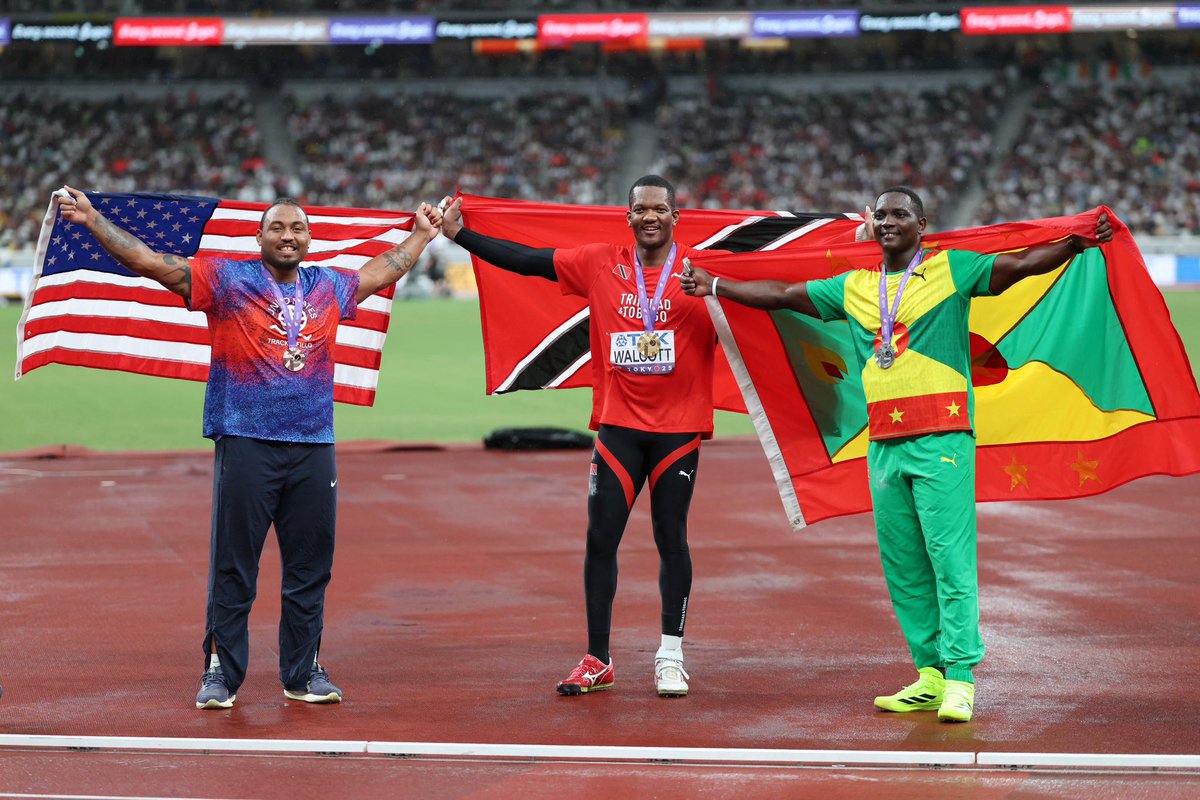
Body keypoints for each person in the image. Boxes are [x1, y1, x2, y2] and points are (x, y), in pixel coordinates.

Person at [681, 186, 1112, 722]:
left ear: (921, 224)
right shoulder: (855, 287)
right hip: (884, 445)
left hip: (943, 440)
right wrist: (717, 284)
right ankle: (929, 673)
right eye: (881, 215)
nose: (888, 222)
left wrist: (1075, 243)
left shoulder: (952, 271)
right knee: (904, 566)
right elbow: (786, 295)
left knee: (949, 560)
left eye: (899, 214)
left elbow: (1021, 264)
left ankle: (960, 677)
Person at [54, 186, 441, 709]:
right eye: (277, 228)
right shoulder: (227, 279)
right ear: (258, 236)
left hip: (313, 444)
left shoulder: (329, 286)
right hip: (246, 441)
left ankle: (302, 672)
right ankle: (220, 672)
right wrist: (94, 220)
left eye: (297, 228)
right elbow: (147, 261)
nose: (288, 236)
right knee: (235, 565)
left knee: (310, 566)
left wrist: (421, 235)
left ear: (309, 238)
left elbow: (386, 269)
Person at [440, 176, 720, 698]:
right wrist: (461, 237)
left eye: (661, 208)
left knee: (671, 538)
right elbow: (527, 259)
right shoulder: (598, 261)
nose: (651, 216)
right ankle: (598, 658)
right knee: (599, 539)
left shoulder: (703, 271)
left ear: (677, 216)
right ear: (629, 216)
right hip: (618, 426)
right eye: (641, 209)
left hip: (678, 429)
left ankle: (671, 655)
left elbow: (776, 284)